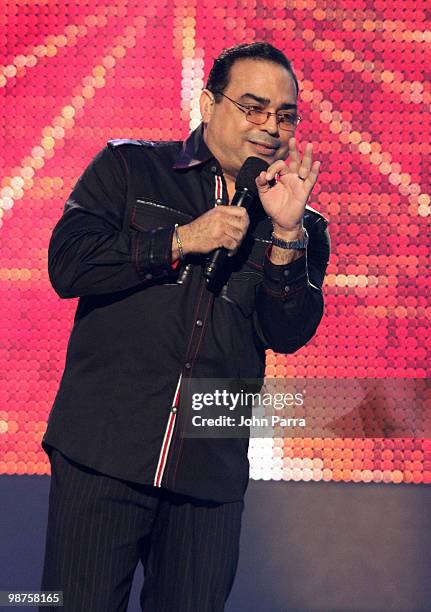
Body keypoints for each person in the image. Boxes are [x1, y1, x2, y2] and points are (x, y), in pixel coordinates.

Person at [40, 42, 330, 611]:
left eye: (285, 114)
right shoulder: (129, 168)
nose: (271, 126)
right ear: (207, 103)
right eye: (253, 107)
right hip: (105, 451)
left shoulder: (300, 222)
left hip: (209, 471)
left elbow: (287, 333)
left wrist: (287, 237)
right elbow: (68, 264)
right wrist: (178, 241)